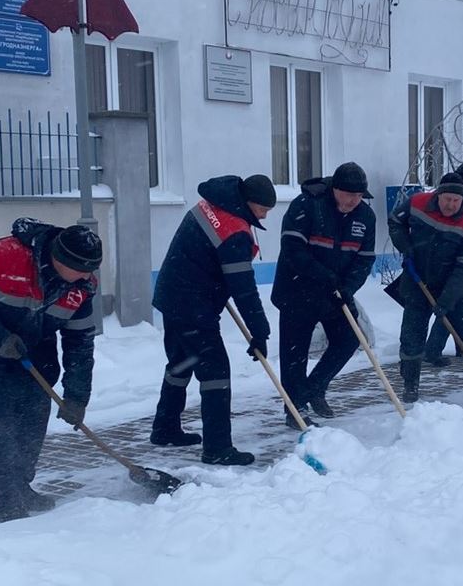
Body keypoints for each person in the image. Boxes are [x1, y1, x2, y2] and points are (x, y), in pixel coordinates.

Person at [0, 218, 102, 523]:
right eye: (82, 269)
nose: (87, 276)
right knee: (1, 424)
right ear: (59, 259)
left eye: (91, 270)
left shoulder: (82, 285)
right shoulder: (1, 256)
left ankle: (21, 485)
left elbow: (80, 341)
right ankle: (5, 497)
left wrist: (77, 397)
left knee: (34, 418)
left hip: (34, 352)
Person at [150, 174, 275, 466]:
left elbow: (201, 253)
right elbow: (244, 290)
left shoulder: (211, 204)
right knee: (215, 371)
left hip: (172, 295)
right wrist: (260, 331)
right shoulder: (234, 232)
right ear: (248, 202)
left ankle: (165, 428)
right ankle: (217, 448)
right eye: (262, 209)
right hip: (193, 304)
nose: (264, 216)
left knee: (182, 362)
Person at [271, 162, 377, 429]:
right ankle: (295, 409)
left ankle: (314, 388)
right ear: (334, 190)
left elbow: (364, 260)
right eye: (349, 194)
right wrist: (324, 276)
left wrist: (348, 287)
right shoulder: (307, 205)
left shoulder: (365, 216)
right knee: (295, 352)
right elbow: (293, 250)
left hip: (335, 293)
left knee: (349, 339)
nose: (354, 201)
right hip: (297, 289)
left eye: (359, 195)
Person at [388, 172, 463, 402]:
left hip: (453, 286)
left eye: (457, 200)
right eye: (447, 199)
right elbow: (395, 221)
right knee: (412, 334)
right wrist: (406, 246)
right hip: (417, 280)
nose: (451, 205)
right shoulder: (417, 203)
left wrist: (446, 301)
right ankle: (410, 383)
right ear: (438, 194)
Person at [422, 161, 463, 367]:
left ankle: (459, 347)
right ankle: (436, 350)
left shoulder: (437, 196)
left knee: (450, 303)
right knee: (454, 305)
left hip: (435, 262)